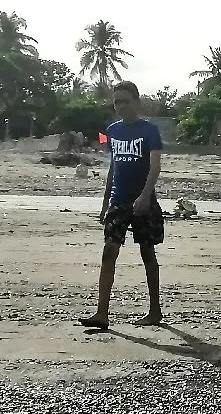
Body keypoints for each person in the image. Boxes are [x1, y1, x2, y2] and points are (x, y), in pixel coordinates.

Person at [79, 81, 165, 329]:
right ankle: (101, 313)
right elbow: (113, 166)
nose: (121, 106)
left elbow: (155, 166)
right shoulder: (112, 131)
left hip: (144, 200)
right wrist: (105, 203)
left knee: (147, 252)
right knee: (109, 251)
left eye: (126, 100)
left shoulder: (150, 131)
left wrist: (145, 196)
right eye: (117, 101)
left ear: (136, 101)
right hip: (118, 200)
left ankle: (155, 311)